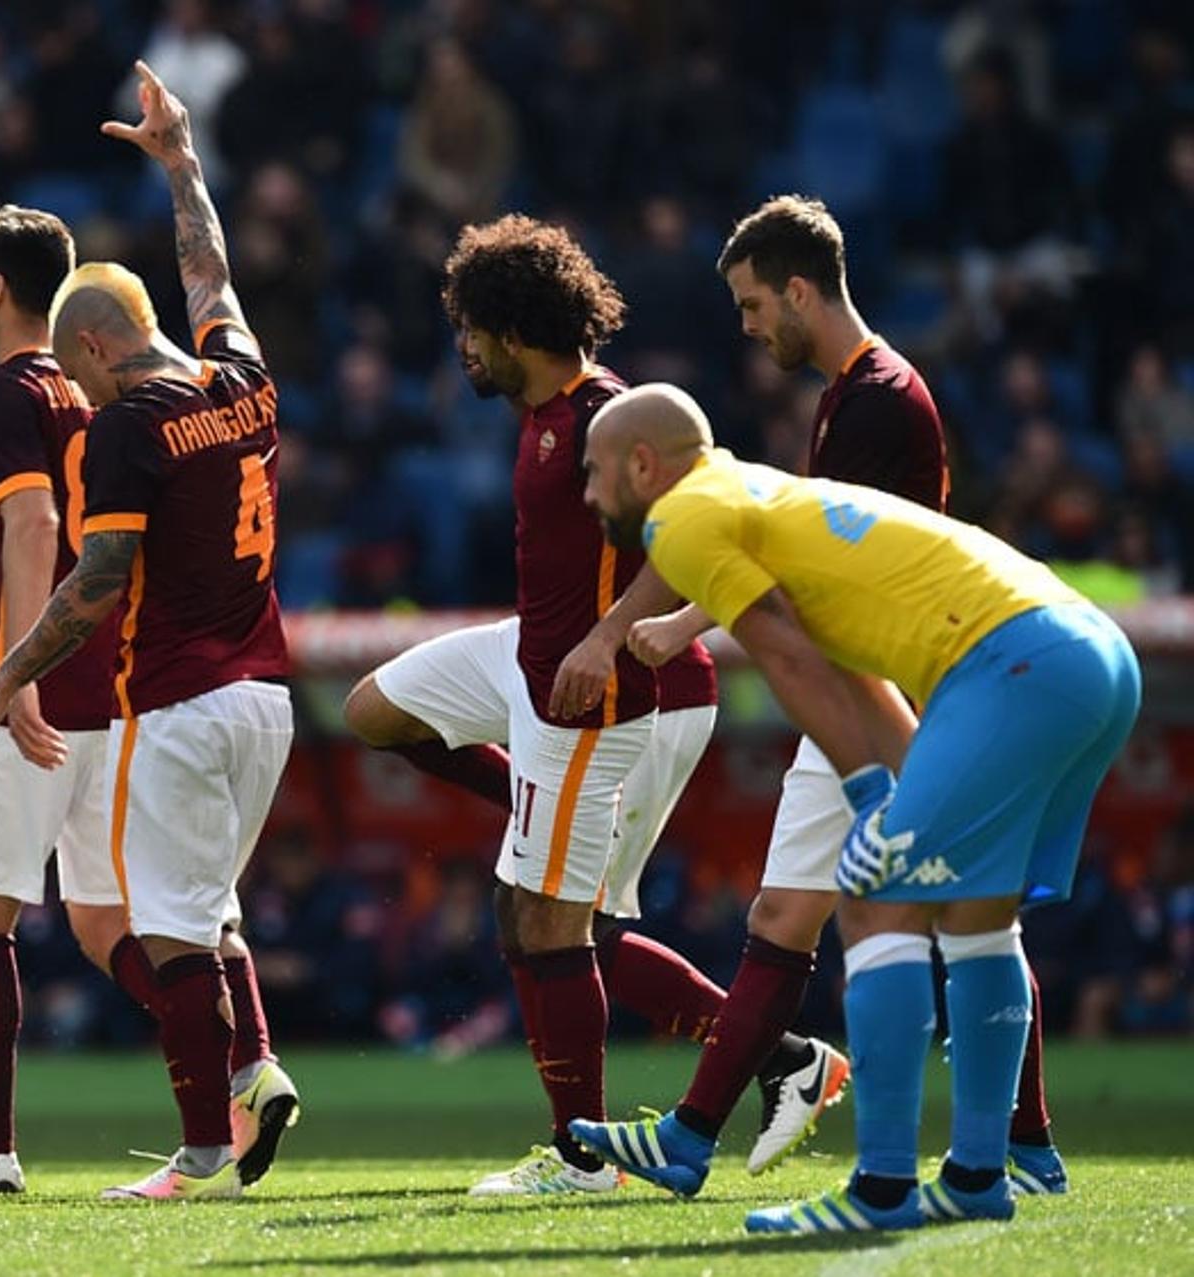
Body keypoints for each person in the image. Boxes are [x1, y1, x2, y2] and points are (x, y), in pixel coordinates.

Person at [575, 196, 1066, 1200]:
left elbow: (818, 572)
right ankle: (1022, 1142)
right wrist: (681, 621)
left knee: (871, 915)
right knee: (933, 912)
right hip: (885, 670)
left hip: (862, 680)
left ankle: (713, 1137)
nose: (750, 326)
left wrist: (687, 622)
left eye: (756, 305)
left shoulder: (879, 401)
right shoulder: (861, 392)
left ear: (800, 290)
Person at [580, 384, 1139, 1233]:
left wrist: (875, 799)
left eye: (593, 472)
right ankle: (981, 1172)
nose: (587, 495)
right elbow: (851, 671)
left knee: (876, 900)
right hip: (1089, 652)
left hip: (1011, 664)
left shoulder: (683, 517)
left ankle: (881, 1187)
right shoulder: (758, 497)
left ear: (643, 465)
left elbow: (789, 662)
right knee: (977, 917)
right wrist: (898, 790)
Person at [344, 214, 825, 1197]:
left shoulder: (614, 416)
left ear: (509, 326)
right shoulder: (543, 415)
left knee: (548, 925)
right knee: (373, 710)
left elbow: (705, 531)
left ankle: (582, 1157)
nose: (461, 346)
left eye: (469, 326)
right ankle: (781, 1060)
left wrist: (610, 637)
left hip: (602, 693)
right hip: (534, 661)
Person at [0, 61, 299, 1202]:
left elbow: (96, 580)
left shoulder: (123, 431)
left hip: (181, 698)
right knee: (174, 918)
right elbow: (213, 270)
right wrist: (184, 167)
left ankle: (205, 1145)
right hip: (271, 696)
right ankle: (247, 1080)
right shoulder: (245, 378)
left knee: (178, 933)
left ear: (90, 348)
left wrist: (1, 683)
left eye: (75, 373)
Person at [0, 201, 159, 1197]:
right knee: (112, 924)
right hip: (114, 680)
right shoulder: (92, 389)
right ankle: (233, 1074)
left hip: (35, 685)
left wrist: (13, 675)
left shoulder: (3, 390)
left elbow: (34, 520)